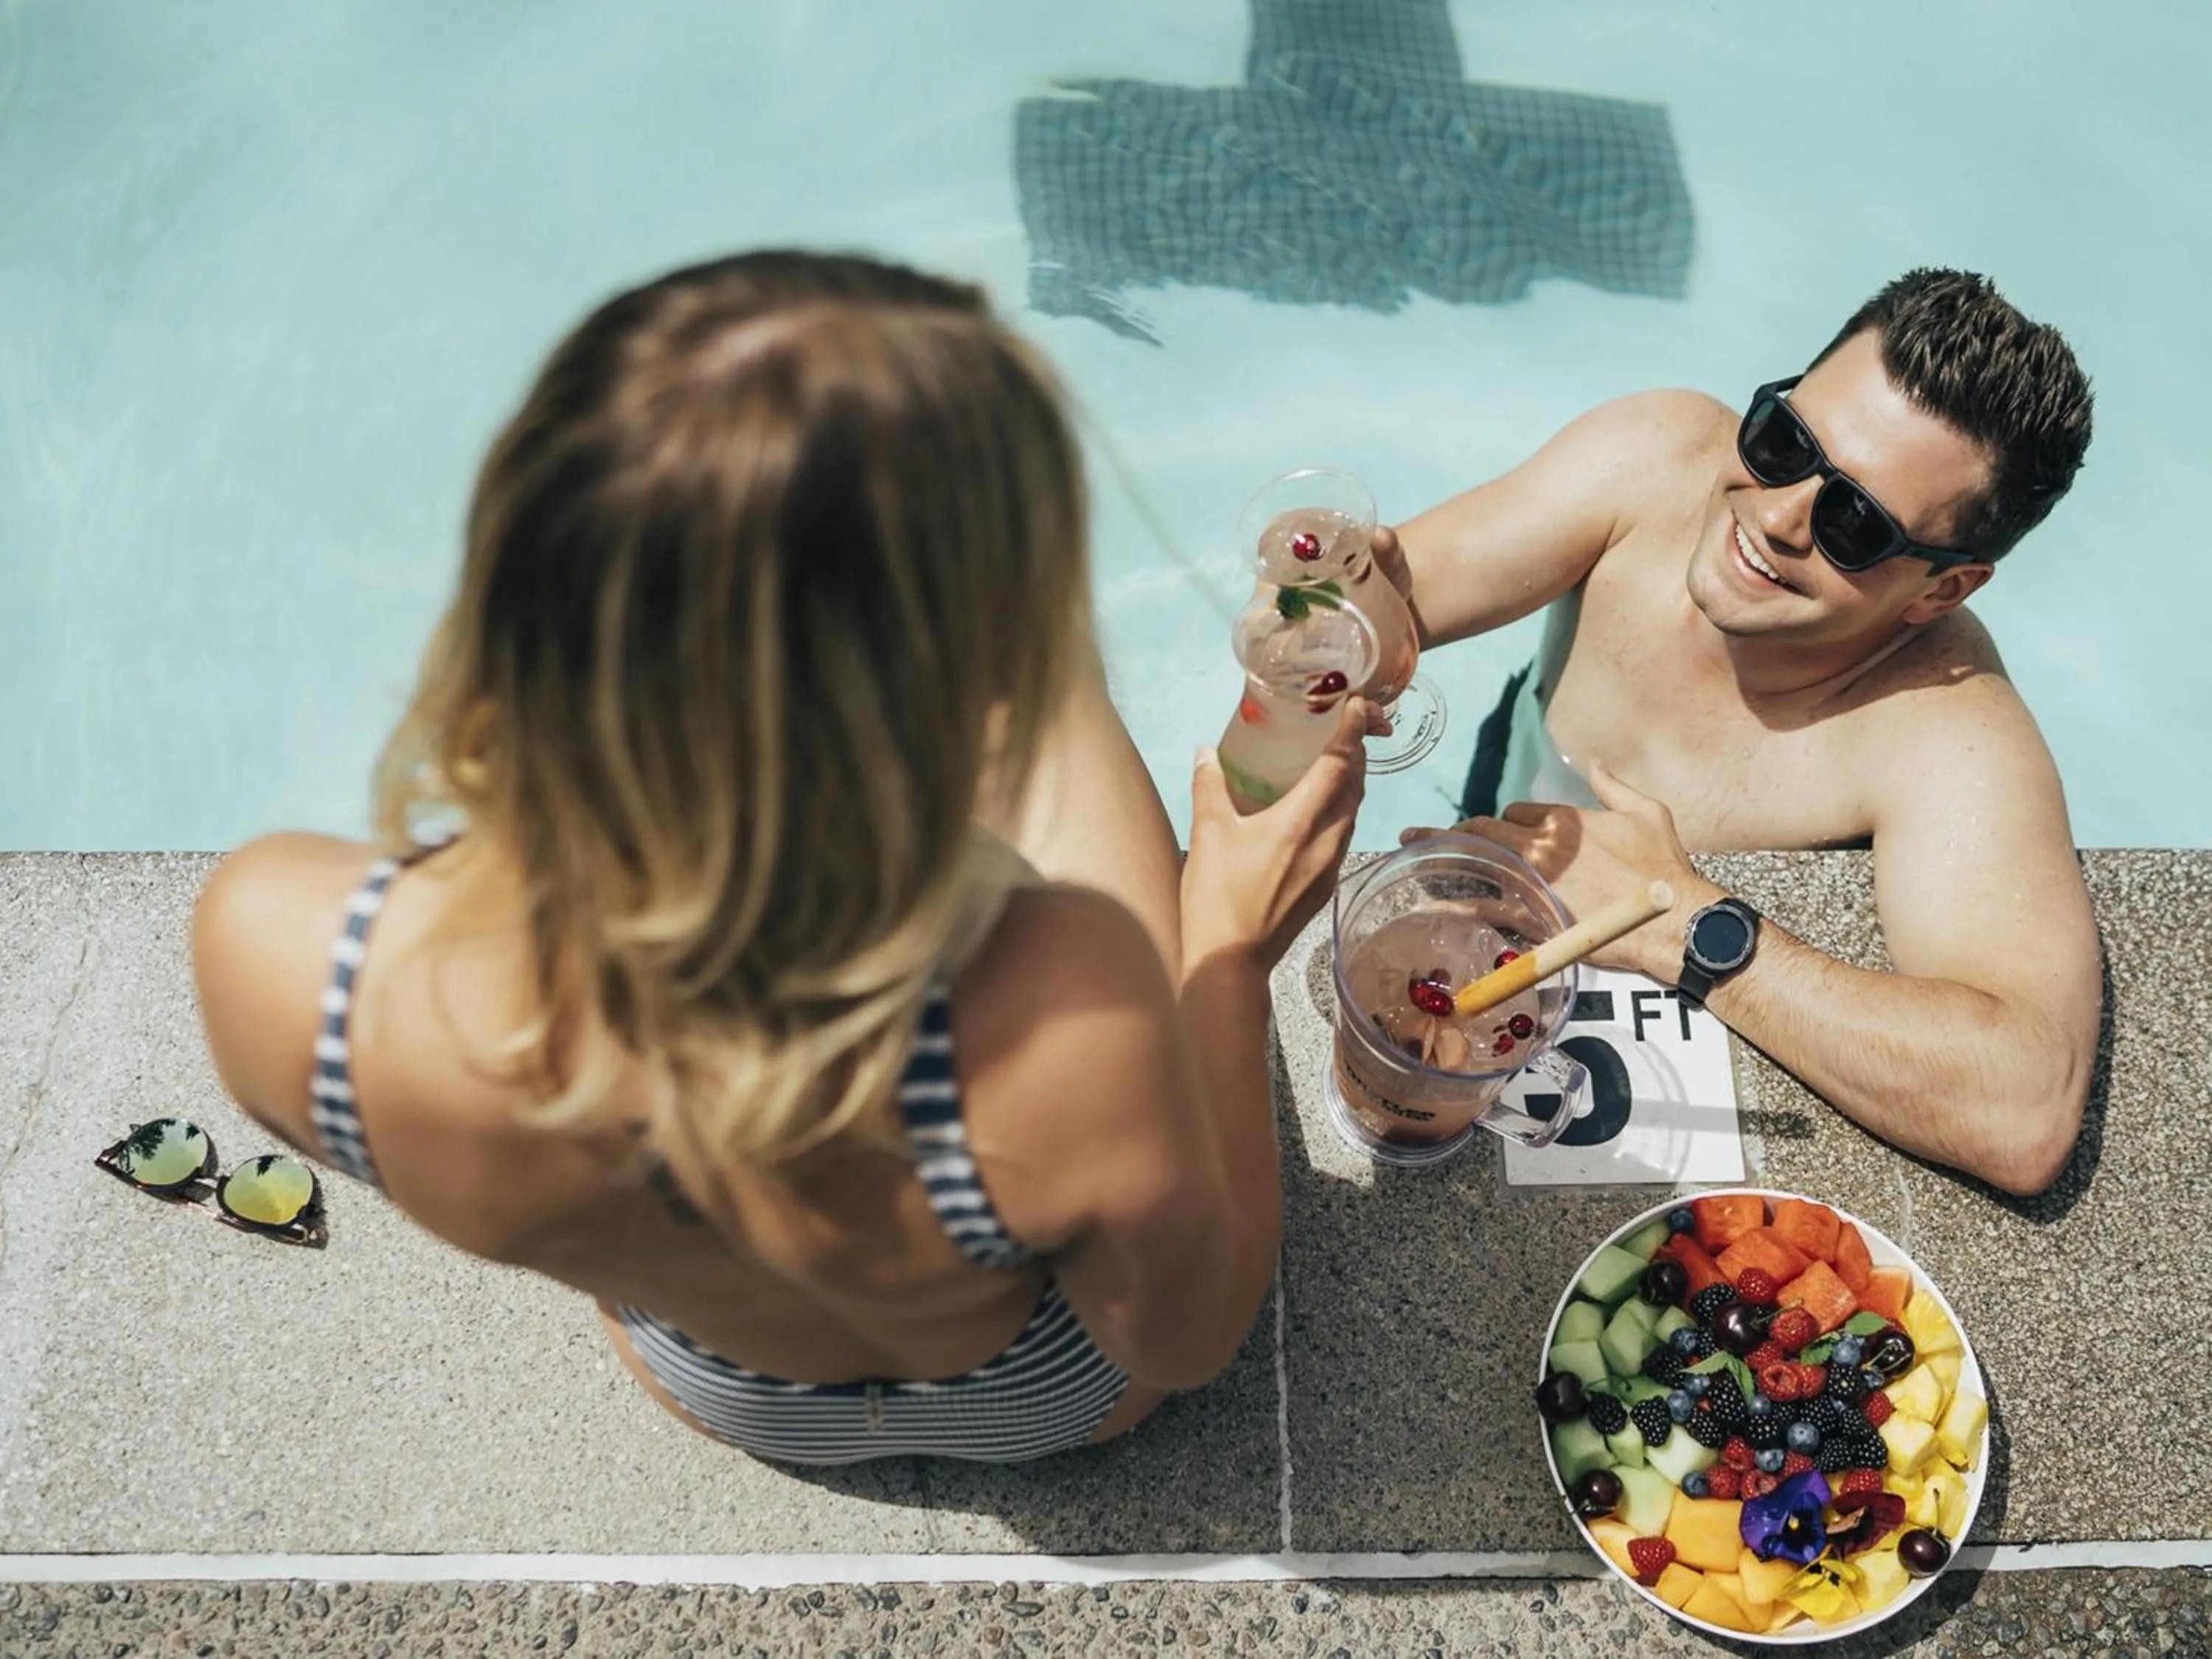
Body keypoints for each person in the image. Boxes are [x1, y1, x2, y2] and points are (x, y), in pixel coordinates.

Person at [192, 251, 1379, 1462]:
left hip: (719, 1382)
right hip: (1046, 1399)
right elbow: (1186, 1344)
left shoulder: (287, 959)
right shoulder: (1064, 1001)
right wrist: (1226, 956)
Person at [1385, 268, 2098, 1197]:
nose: (1776, 513)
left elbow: (2023, 1106)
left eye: (1855, 523)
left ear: (1941, 590)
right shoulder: (1653, 463)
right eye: (1785, 441)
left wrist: (1682, 923)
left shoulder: (1947, 733)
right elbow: (1375, 601)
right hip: (1508, 782)